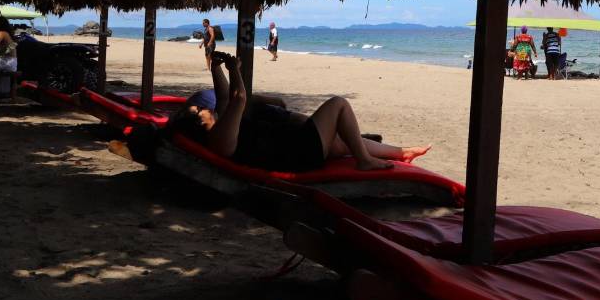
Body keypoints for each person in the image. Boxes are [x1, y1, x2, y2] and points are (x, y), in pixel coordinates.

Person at [171, 53, 428, 172]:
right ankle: (364, 160)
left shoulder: (219, 127)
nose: (205, 108)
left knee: (342, 142)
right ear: (199, 124)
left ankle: (402, 153)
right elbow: (238, 99)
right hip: (300, 153)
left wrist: (216, 67)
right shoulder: (219, 139)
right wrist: (235, 70)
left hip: (297, 144)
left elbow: (225, 97)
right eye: (200, 110)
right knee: (339, 104)